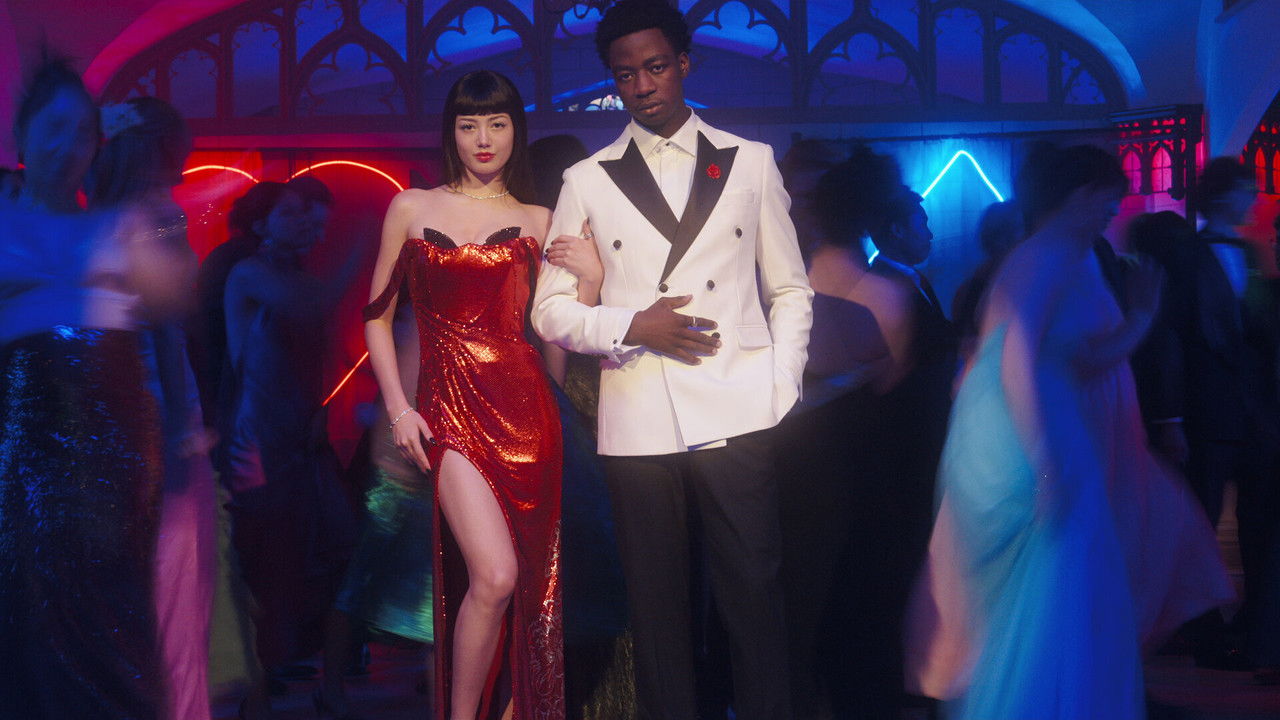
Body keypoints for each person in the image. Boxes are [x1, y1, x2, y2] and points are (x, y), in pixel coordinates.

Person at [530, 1, 814, 717]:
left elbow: (789, 287)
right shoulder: (588, 178)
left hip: (739, 402)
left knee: (754, 593)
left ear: (684, 63)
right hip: (638, 410)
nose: (642, 85)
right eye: (625, 74)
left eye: (655, 67)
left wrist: (780, 385)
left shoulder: (750, 162)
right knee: (657, 612)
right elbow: (549, 311)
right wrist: (635, 325)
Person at [907, 146, 1154, 718]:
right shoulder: (1044, 255)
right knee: (1050, 581)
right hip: (1021, 427)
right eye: (1107, 196)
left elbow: (1080, 358)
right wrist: (1044, 460)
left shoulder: (1070, 255)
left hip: (1047, 417)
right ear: (1078, 194)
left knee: (1063, 579)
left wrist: (1142, 317)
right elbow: (1014, 355)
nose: (1113, 208)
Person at [363, 69, 571, 719]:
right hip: (448, 410)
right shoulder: (412, 207)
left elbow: (557, 329)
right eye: (469, 124)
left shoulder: (539, 218)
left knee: (526, 586)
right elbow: (375, 317)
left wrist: (589, 280)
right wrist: (399, 409)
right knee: (495, 574)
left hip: (529, 415)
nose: (484, 138)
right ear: (451, 132)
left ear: (516, 130)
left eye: (497, 123)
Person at [0, 56, 194, 719]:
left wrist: (159, 211)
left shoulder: (120, 226)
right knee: (29, 599)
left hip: (115, 449)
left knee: (111, 604)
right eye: (54, 129)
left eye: (82, 134)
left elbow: (176, 295)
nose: (67, 147)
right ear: (22, 135)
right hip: (25, 448)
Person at [86, 95, 217, 720]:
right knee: (173, 590)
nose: (184, 167)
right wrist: (182, 433)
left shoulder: (88, 220)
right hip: (155, 413)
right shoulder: (161, 216)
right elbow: (168, 327)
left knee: (124, 592)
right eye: (179, 154)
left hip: (104, 415)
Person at [775, 146, 917, 720]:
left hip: (821, 474)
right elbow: (890, 384)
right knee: (837, 607)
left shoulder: (810, 287)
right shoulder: (880, 291)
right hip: (841, 476)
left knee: (815, 607)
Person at [223, 181, 360, 719]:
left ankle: (325, 683)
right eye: (294, 213)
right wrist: (357, 249)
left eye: (311, 215)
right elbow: (312, 306)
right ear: (261, 223)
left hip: (302, 439)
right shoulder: (248, 273)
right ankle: (255, 696)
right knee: (262, 563)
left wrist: (324, 410)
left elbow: (322, 351)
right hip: (257, 440)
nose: (306, 222)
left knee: (330, 554)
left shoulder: (301, 276)